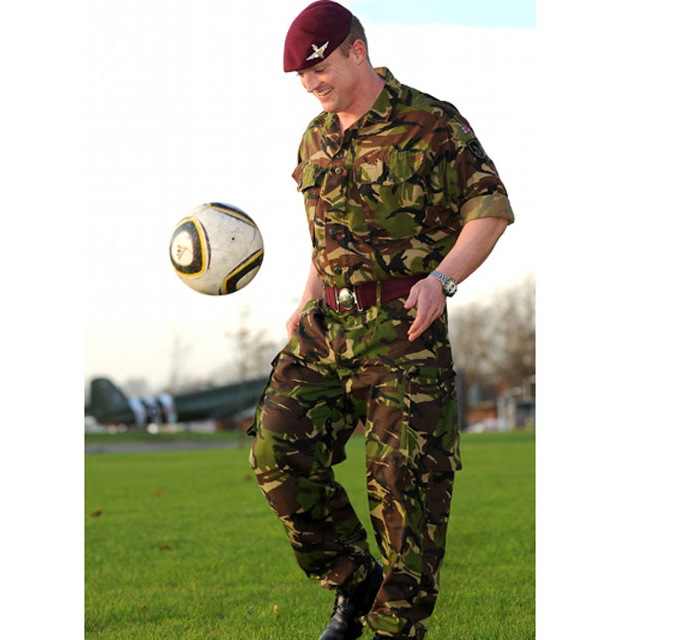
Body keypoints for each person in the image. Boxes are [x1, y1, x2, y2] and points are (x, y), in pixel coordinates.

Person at [247, 2, 514, 639]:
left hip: (403, 332)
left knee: (406, 492)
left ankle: (396, 628)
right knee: (276, 450)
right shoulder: (315, 139)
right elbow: (324, 240)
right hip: (326, 327)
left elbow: (491, 210)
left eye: (319, 70)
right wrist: (307, 298)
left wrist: (442, 280)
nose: (310, 86)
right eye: (302, 79)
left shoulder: (430, 121)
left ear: (356, 51)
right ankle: (352, 580)